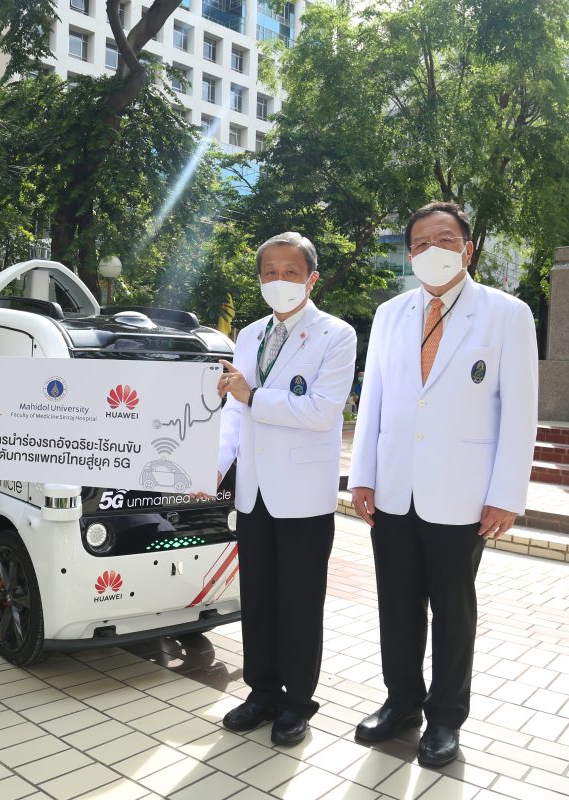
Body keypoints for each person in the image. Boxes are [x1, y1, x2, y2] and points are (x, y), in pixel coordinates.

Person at [348, 202, 538, 766]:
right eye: (420, 243)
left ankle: (446, 718)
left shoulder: (507, 314)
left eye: (445, 239)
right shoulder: (390, 313)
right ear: (410, 254)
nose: (432, 250)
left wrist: (505, 494)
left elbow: (520, 412)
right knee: (396, 603)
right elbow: (374, 399)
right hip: (394, 488)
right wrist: (363, 476)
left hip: (462, 494)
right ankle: (402, 701)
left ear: (468, 249)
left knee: (453, 610)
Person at [215, 232, 357, 746]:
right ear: (259, 279)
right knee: (258, 597)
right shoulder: (251, 334)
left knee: (299, 601)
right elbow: (233, 412)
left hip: (302, 494)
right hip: (253, 491)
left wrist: (254, 395)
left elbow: (323, 411)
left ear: (311, 278)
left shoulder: (336, 335)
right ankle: (261, 691)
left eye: (290, 272)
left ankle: (298, 702)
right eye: (269, 273)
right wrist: (215, 467)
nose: (279, 281)